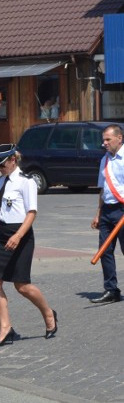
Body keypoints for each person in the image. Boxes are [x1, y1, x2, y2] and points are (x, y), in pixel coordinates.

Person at [0, 144, 58, 347]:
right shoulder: (0, 182)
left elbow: (31, 213)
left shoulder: (26, 182)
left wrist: (18, 235)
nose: (0, 168)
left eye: (2, 164)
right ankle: (5, 328)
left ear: (12, 160)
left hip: (21, 235)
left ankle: (48, 313)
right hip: (2, 233)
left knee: (22, 286)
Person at [89, 124, 124, 303]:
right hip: (108, 211)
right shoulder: (105, 160)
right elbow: (103, 189)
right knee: (105, 251)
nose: (105, 143)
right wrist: (98, 213)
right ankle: (111, 290)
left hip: (122, 209)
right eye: (103, 140)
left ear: (120, 138)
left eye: (108, 139)